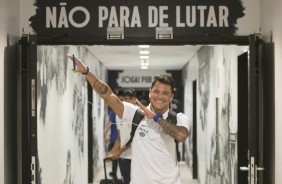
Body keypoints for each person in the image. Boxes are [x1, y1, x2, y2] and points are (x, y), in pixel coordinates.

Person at [67, 54, 190, 184]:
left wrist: (155, 118)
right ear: (150, 92)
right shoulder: (133, 113)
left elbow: (181, 135)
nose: (159, 96)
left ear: (171, 96)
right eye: (156, 91)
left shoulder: (179, 118)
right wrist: (86, 72)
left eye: (165, 93)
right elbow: (107, 94)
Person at [108, 88, 137, 184]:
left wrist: (118, 152)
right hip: (124, 157)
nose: (128, 101)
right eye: (126, 98)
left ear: (135, 100)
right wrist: (111, 153)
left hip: (137, 158)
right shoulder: (118, 115)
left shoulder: (139, 115)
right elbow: (120, 139)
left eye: (130, 98)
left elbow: (134, 140)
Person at [104, 109, 119, 180]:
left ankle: (114, 174)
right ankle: (115, 174)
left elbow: (109, 123)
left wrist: (105, 133)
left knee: (114, 157)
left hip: (114, 139)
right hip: (122, 139)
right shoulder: (122, 110)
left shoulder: (113, 112)